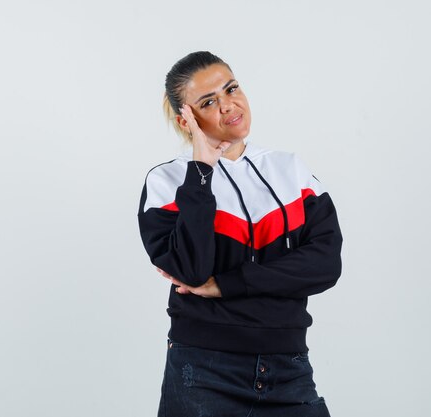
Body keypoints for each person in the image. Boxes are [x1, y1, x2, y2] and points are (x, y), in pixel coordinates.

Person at [137, 51, 343, 417]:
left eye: (231, 88)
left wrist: (227, 285)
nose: (228, 105)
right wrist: (202, 169)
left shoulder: (290, 170)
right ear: (187, 120)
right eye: (208, 102)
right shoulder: (168, 182)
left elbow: (325, 265)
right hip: (203, 370)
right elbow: (192, 270)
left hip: (289, 369)